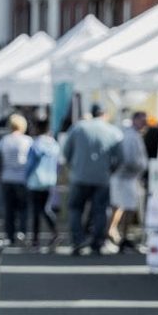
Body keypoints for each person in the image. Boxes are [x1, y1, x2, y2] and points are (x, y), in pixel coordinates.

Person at [63, 103, 122, 255]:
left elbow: (66, 152)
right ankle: (97, 242)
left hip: (79, 176)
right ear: (105, 114)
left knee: (75, 209)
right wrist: (110, 170)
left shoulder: (78, 128)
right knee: (100, 210)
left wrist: (74, 167)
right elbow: (120, 158)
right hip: (102, 178)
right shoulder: (113, 131)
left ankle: (78, 241)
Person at [0, 113, 33, 245]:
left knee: (9, 208)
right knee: (23, 207)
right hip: (23, 178)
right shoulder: (28, 141)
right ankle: (22, 232)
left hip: (6, 178)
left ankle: (9, 235)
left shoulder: (3, 140)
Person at [108, 111, 149, 252]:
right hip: (126, 177)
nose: (144, 123)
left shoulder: (131, 135)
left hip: (126, 176)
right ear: (135, 120)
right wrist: (139, 168)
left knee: (120, 206)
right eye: (142, 120)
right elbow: (130, 159)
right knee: (126, 207)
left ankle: (116, 233)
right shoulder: (131, 136)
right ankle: (119, 235)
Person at [25, 118, 61, 249]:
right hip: (50, 180)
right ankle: (54, 232)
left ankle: (35, 240)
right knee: (45, 208)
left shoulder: (36, 144)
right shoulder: (54, 144)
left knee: (36, 211)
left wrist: (26, 177)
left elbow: (30, 164)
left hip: (35, 180)